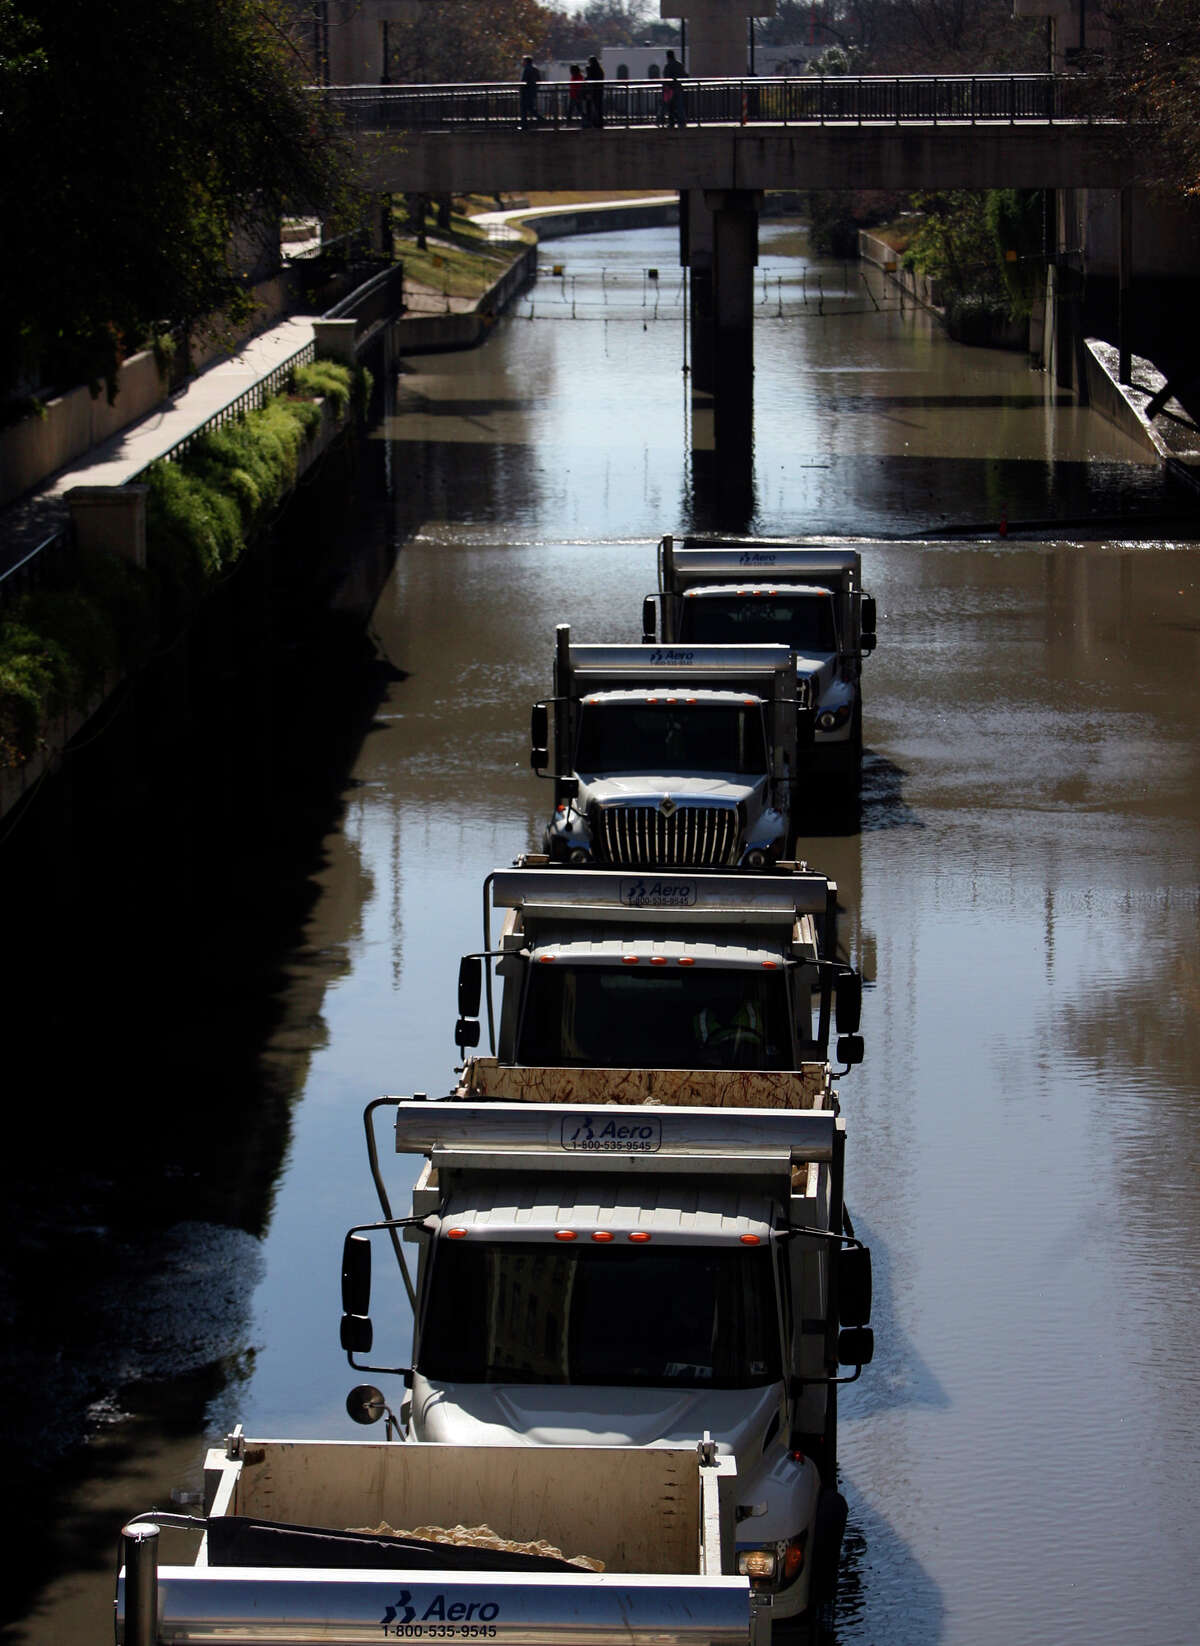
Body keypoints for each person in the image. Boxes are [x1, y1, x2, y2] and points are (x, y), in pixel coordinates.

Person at [662, 48, 686, 128]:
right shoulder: (679, 65)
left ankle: (671, 122)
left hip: (670, 90)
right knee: (680, 106)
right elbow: (684, 75)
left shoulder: (668, 66)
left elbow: (666, 78)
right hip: (679, 88)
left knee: (670, 107)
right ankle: (682, 122)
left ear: (667, 57)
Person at [519, 55, 541, 129]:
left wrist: (521, 88)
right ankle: (541, 119)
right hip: (532, 91)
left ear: (526, 62)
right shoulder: (535, 69)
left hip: (526, 92)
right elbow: (539, 80)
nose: (522, 63)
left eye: (523, 61)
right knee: (530, 108)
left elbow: (524, 81)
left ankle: (524, 125)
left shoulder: (527, 69)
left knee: (524, 109)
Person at [584, 55, 604, 130]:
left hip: (592, 91)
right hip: (599, 91)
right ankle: (599, 122)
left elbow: (589, 79)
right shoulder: (600, 70)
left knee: (590, 107)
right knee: (598, 108)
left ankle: (591, 122)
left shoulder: (591, 70)